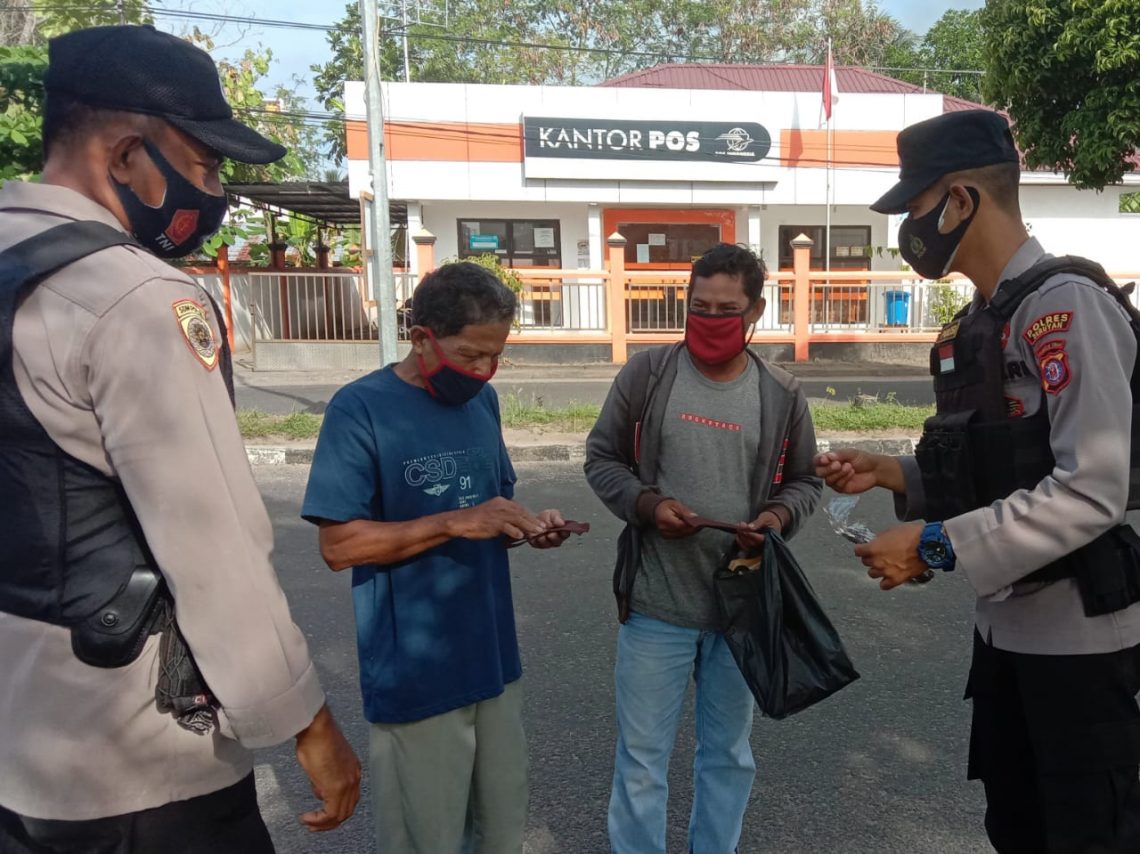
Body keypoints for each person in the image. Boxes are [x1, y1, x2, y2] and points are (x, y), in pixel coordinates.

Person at [0, 24, 362, 854]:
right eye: (202, 164)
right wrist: (305, 724)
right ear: (125, 154)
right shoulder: (135, 300)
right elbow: (213, 550)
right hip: (130, 761)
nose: (215, 190)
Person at [816, 109, 1140, 853]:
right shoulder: (982, 323)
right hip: (1007, 633)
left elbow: (1092, 487)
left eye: (915, 207)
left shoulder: (1065, 308)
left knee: (1088, 835)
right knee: (1018, 828)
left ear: (961, 200)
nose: (909, 229)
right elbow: (1001, 466)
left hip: (1080, 640)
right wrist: (896, 473)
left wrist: (933, 545)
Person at [302, 261, 571, 854]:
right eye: (469, 355)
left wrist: (524, 525)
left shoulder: (483, 403)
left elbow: (488, 509)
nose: (480, 371)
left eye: (493, 357)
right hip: (416, 671)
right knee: (428, 838)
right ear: (420, 337)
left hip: (493, 658)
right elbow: (338, 545)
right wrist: (454, 521)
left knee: (501, 829)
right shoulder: (359, 410)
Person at [585, 243, 822, 854]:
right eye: (698, 307)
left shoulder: (781, 393)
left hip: (739, 609)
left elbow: (805, 481)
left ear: (756, 311)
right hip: (656, 604)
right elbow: (602, 458)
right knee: (641, 759)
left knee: (728, 755)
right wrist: (647, 505)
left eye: (726, 310)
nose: (710, 321)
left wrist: (774, 517)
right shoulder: (648, 374)